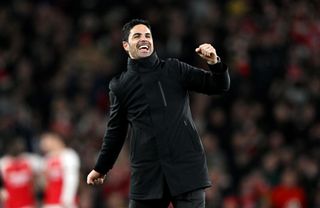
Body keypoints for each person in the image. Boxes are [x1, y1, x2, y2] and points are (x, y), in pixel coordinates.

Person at [87, 19, 230, 208]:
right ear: (125, 45)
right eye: (137, 36)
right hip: (148, 175)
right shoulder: (120, 86)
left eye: (148, 35)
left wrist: (214, 62)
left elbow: (219, 86)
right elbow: (116, 131)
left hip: (186, 168)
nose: (144, 39)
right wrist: (101, 168)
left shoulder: (174, 68)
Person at [40, 132, 80, 208]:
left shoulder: (69, 155)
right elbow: (44, 184)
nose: (43, 143)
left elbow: (72, 180)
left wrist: (67, 200)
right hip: (50, 202)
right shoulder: (47, 158)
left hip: (65, 203)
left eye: (46, 139)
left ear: (56, 140)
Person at [0, 136, 42, 208]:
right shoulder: (3, 163)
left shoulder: (30, 160)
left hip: (28, 202)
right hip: (11, 203)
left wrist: (36, 182)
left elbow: (42, 170)